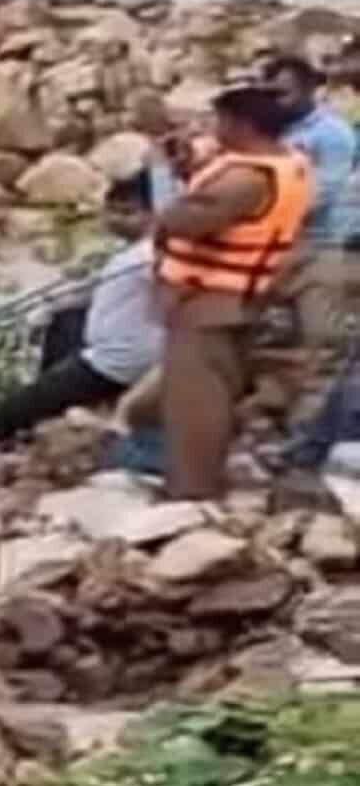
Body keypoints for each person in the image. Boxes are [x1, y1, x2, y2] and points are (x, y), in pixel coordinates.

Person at [150, 84, 313, 500]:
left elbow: (180, 219)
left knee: (196, 400)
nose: (214, 129)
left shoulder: (244, 179)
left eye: (220, 120)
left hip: (207, 303)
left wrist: (162, 176)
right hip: (236, 300)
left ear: (242, 125)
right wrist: (191, 168)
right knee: (212, 390)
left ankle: (193, 490)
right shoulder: (286, 164)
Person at [0, 170, 161, 451]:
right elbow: (85, 290)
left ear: (155, 214)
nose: (116, 220)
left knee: (22, 405)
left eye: (128, 213)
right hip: (105, 345)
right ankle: (52, 400)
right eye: (112, 212)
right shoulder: (131, 252)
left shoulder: (149, 255)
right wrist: (43, 306)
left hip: (117, 361)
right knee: (64, 319)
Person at [263, 55, 358, 345]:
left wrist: (267, 211)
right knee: (281, 340)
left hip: (319, 241)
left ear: (308, 90)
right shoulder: (275, 129)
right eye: (271, 94)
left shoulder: (332, 133)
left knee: (323, 336)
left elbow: (324, 189)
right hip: (278, 243)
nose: (276, 102)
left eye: (284, 93)